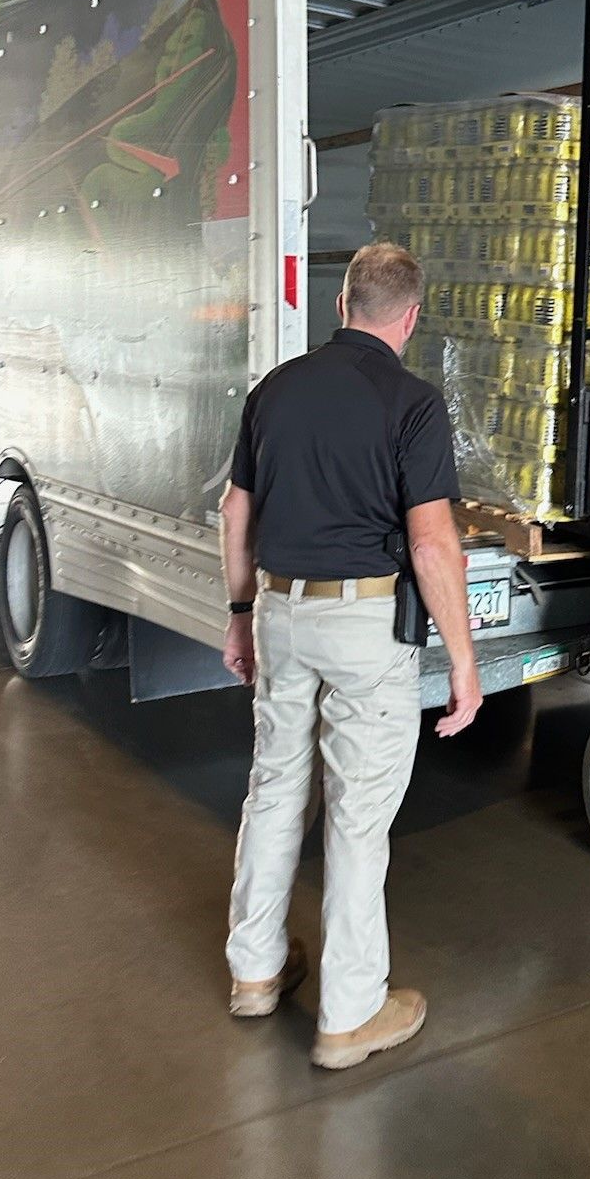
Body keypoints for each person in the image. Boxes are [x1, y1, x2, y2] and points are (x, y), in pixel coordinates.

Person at [218, 242, 482, 1071]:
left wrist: (238, 615)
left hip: (281, 612)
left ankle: (256, 974)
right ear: (409, 317)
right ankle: (350, 1011)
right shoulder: (413, 402)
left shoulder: (275, 390)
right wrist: (465, 665)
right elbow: (433, 543)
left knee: (274, 790)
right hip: (364, 625)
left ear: (342, 305)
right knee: (358, 817)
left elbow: (235, 512)